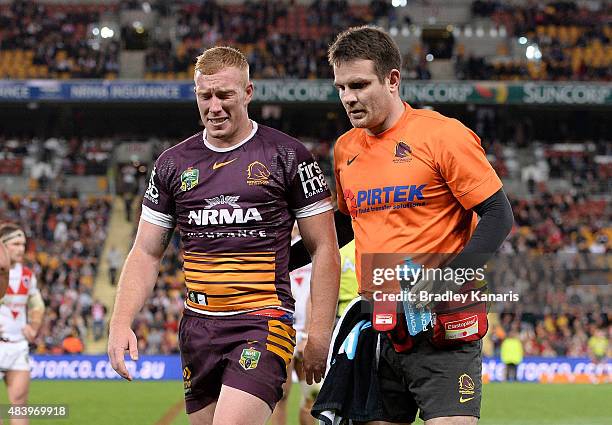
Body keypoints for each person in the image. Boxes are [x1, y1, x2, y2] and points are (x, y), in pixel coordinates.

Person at [108, 46, 340, 425]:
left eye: (225, 95)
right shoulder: (172, 164)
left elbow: (325, 248)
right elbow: (146, 253)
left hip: (262, 320)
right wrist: (120, 322)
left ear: (248, 92)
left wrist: (318, 333)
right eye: (205, 96)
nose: (214, 106)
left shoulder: (288, 156)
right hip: (198, 326)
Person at [292, 26, 513, 424]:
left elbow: (499, 215)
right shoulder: (346, 149)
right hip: (377, 327)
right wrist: (278, 257)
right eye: (341, 87)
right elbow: (344, 225)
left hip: (441, 327)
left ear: (392, 80)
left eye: (359, 85)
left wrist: (448, 279)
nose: (348, 98)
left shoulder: (443, 135)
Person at [0, 223, 46, 425]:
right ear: (2, 247)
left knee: (19, 403)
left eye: (23, 244)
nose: (21, 249)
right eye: (15, 244)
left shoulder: (27, 274)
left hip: (18, 345)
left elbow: (36, 303)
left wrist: (34, 326)